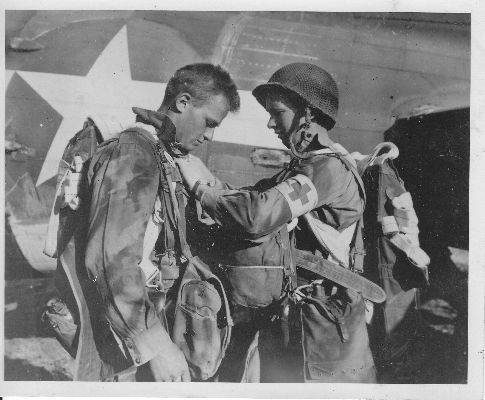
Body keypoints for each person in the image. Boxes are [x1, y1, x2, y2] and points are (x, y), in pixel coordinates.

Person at [176, 62, 377, 382]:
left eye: (278, 112)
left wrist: (202, 189)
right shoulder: (305, 168)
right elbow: (254, 196)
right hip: (304, 319)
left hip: (326, 328)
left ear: (308, 114)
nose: (271, 123)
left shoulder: (328, 170)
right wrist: (207, 179)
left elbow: (258, 214)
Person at [83, 63, 240, 381]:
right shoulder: (135, 152)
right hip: (129, 334)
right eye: (209, 123)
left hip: (148, 318)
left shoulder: (162, 154)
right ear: (183, 102)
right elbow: (107, 261)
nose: (208, 136)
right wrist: (155, 347)